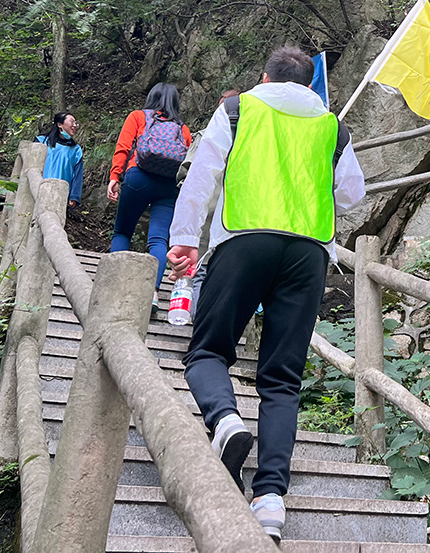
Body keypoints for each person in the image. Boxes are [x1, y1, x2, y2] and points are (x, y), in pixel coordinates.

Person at [167, 46, 365, 539]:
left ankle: (226, 419)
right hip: (308, 253)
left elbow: (203, 173)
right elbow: (352, 194)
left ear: (264, 76)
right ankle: (271, 499)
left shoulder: (239, 108)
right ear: (310, 82)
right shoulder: (332, 127)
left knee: (208, 351)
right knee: (282, 380)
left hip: (243, 239)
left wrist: (184, 241)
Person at [108, 83, 193, 316]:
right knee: (158, 240)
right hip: (168, 184)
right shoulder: (182, 129)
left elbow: (123, 147)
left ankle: (115, 287)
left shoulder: (137, 116)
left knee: (122, 232)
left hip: (138, 177)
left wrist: (115, 176)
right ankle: (151, 293)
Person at [175, 88, 242, 321]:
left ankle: (195, 318)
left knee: (199, 268)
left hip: (206, 208)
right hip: (236, 213)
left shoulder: (206, 134)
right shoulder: (252, 135)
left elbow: (189, 171)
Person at [36, 112, 83, 210]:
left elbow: (78, 175)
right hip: (39, 189)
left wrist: (74, 196)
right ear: (59, 124)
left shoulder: (76, 150)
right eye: (72, 122)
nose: (75, 125)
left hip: (61, 194)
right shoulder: (41, 142)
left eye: (76, 123)